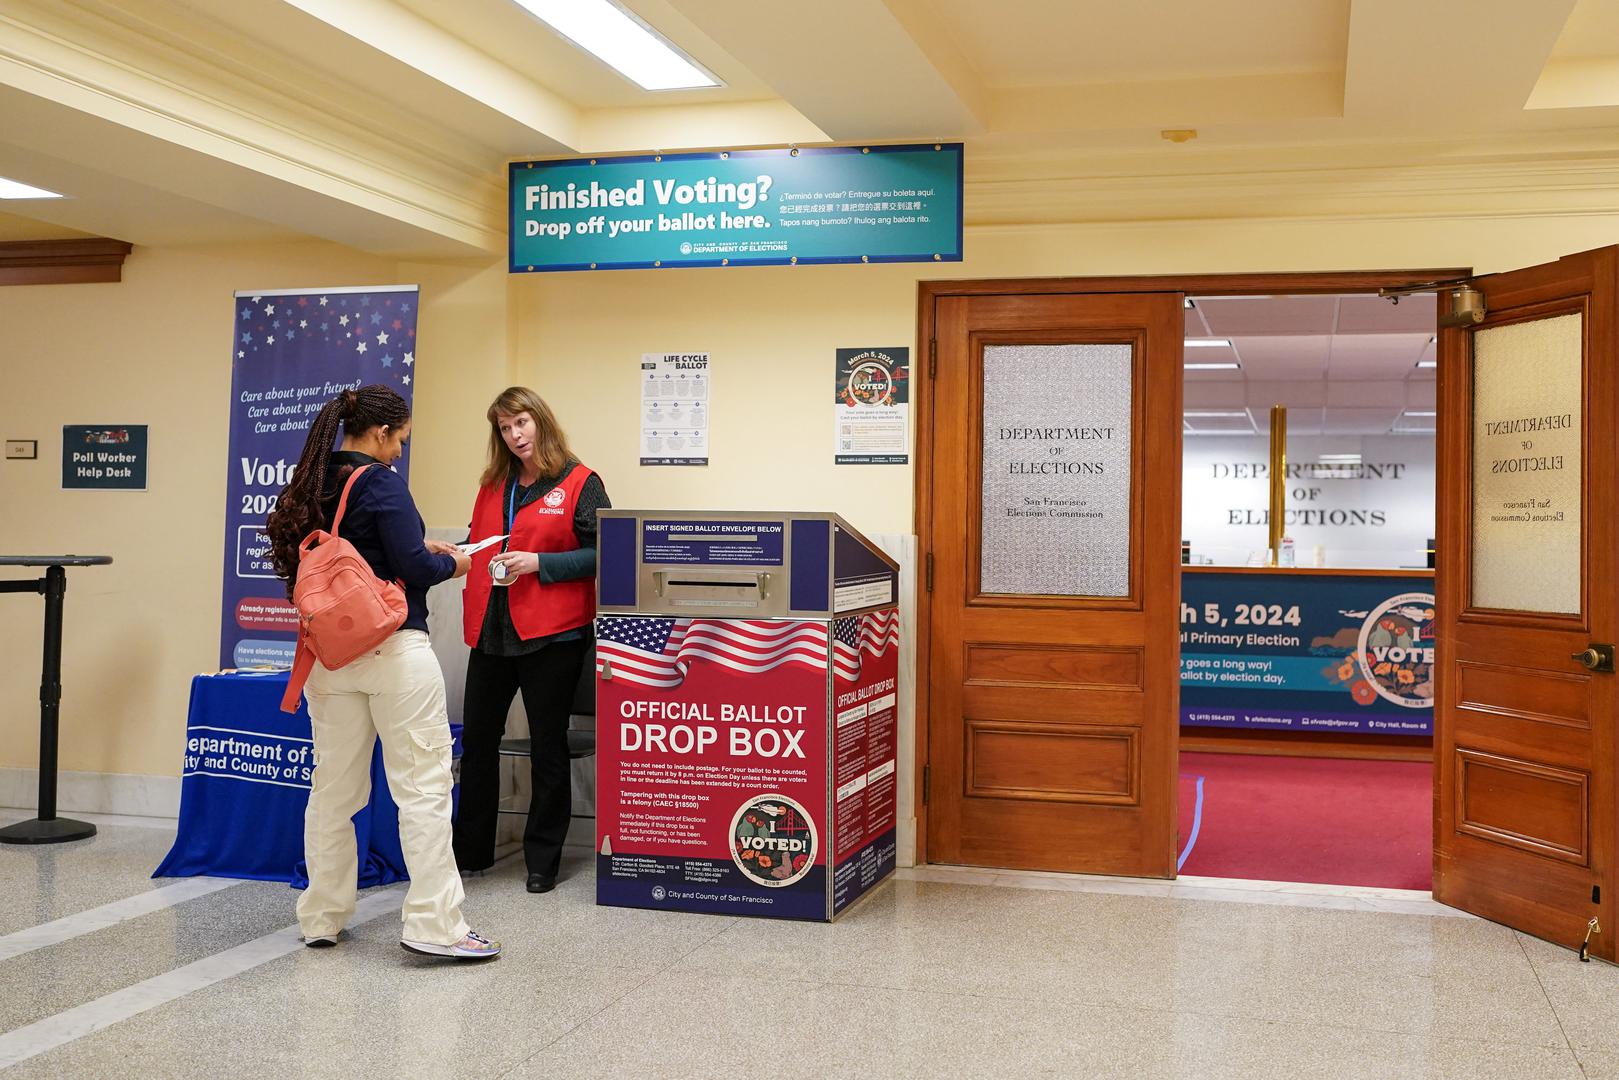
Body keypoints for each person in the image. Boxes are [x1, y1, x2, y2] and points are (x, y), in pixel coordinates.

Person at [267, 384, 500, 961]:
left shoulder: (309, 486)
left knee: (333, 791)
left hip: (330, 659)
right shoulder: (381, 482)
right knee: (422, 790)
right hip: (395, 651)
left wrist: (419, 549)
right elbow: (414, 567)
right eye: (400, 439)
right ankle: (435, 926)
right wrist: (460, 560)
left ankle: (321, 916)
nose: (399, 451)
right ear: (379, 433)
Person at [453, 386, 609, 894]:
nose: (515, 435)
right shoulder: (493, 483)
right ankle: (470, 852)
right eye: (504, 428)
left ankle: (543, 860)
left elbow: (605, 554)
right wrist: (450, 554)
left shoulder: (581, 481)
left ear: (540, 420)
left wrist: (540, 564)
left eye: (521, 423)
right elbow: (481, 542)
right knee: (477, 743)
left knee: (548, 747)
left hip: (553, 637)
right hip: (491, 632)